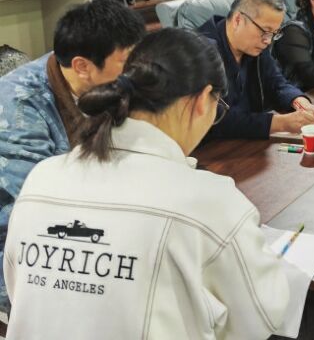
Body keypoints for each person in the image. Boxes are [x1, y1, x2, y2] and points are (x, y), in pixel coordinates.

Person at [3, 28, 290, 338]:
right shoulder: (209, 201)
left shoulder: (42, 177)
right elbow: (264, 316)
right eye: (218, 109)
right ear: (202, 100)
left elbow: (19, 290)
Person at [0, 0, 145, 311]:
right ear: (82, 66)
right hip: (21, 255)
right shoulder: (18, 109)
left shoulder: (97, 81)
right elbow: (27, 219)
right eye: (127, 62)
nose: (136, 71)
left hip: (84, 226)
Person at [197, 0, 314, 140]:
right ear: (237, 20)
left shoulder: (255, 46)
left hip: (248, 141)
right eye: (264, 31)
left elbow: (276, 83)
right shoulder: (201, 53)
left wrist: (300, 102)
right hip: (212, 148)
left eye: (274, 33)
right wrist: (278, 123)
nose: (268, 41)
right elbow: (214, 119)